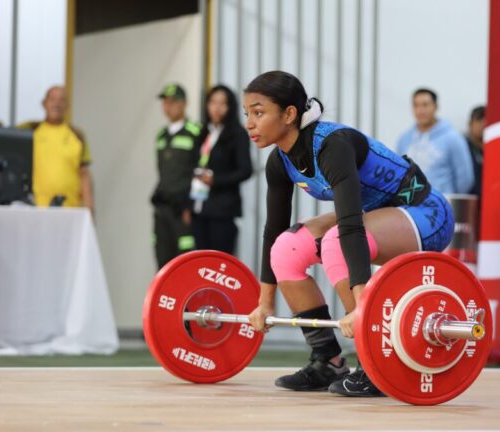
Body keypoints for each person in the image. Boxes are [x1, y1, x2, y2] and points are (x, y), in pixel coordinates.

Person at [244, 71, 454, 397]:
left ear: (289, 114)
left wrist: (360, 311)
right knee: (286, 249)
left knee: (336, 241)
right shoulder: (280, 162)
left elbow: (351, 226)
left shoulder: (332, 146)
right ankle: (328, 360)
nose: (250, 123)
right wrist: (264, 303)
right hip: (377, 216)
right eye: (247, 114)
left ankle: (374, 364)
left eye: (258, 113)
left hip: (426, 215)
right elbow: (273, 230)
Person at [190, 85, 252, 254]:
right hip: (199, 207)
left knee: (220, 262)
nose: (217, 108)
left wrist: (215, 180)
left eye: (222, 103)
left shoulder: (237, 134)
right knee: (200, 262)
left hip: (222, 209)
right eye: (213, 102)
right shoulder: (203, 132)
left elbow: (246, 170)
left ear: (230, 107)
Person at [18, 86, 94, 210]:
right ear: (44, 103)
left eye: (62, 100)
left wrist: (90, 208)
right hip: (37, 208)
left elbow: (84, 173)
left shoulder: (77, 134)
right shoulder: (31, 131)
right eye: (52, 99)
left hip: (71, 208)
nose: (57, 104)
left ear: (67, 105)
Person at [151, 83, 201, 269]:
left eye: (172, 102)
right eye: (165, 102)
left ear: (184, 103)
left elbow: (201, 171)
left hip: (183, 210)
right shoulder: (161, 135)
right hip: (162, 208)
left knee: (185, 262)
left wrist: (192, 205)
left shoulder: (195, 132)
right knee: (162, 260)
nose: (168, 106)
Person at [396, 88, 474, 194]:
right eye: (416, 105)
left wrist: (448, 201)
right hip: (411, 206)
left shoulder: (453, 138)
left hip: (441, 204)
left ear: (436, 107)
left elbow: (465, 179)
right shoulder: (404, 139)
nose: (420, 110)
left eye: (425, 105)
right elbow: (400, 173)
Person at [465, 105, 485, 198]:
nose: (483, 124)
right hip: (469, 199)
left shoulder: (495, 150)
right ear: (470, 124)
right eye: (479, 120)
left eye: (485, 120)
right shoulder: (463, 146)